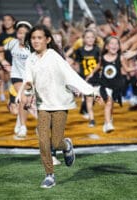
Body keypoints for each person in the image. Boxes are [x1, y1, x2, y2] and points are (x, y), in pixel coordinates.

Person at [18, 24, 99, 189]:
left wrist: (89, 91)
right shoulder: (30, 59)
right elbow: (28, 81)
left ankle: (66, 145)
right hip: (43, 105)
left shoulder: (54, 55)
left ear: (47, 40)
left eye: (39, 37)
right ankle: (49, 175)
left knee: (56, 141)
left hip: (60, 103)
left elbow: (70, 75)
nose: (36, 41)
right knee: (42, 141)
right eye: (33, 38)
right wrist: (25, 96)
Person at [74, 29, 101, 127]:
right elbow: (77, 64)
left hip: (96, 78)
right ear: (84, 39)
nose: (90, 39)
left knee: (94, 99)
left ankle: (84, 108)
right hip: (85, 78)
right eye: (88, 37)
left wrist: (93, 72)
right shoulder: (79, 50)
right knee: (89, 99)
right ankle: (92, 119)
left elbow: (100, 63)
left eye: (92, 37)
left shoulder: (98, 50)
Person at [0, 14, 16, 102]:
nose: (7, 22)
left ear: (13, 22)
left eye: (9, 20)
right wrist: (2, 60)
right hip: (4, 60)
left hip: (15, 61)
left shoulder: (18, 34)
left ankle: (12, 95)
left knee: (12, 79)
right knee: (2, 77)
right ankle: (2, 94)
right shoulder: (1, 36)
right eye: (5, 20)